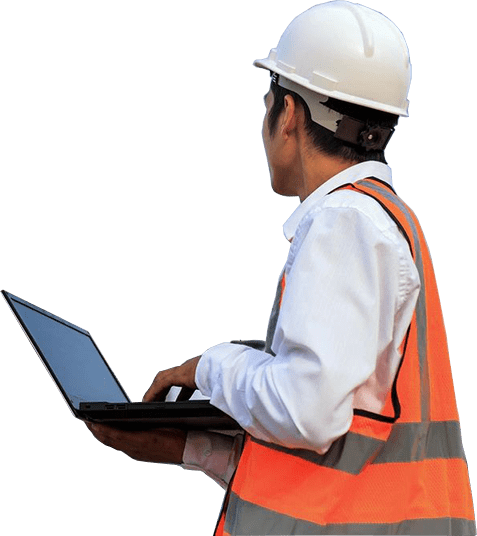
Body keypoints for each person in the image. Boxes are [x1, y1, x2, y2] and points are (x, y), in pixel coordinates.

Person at [87, 2, 476, 534]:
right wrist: (192, 448)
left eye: (267, 99)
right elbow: (336, 460)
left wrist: (211, 366)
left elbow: (306, 414)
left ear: (288, 113)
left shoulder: (347, 224)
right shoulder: (382, 221)